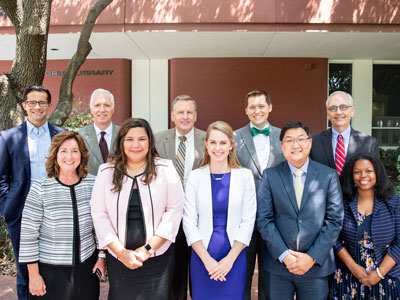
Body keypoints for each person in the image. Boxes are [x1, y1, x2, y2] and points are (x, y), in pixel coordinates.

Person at [91, 118, 184, 300]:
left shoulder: (165, 169)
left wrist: (147, 249)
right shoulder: (106, 172)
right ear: (121, 143)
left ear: (150, 142)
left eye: (142, 139)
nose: (136, 144)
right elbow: (99, 216)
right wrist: (121, 252)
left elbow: (174, 211)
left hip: (157, 256)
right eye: (129, 139)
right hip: (119, 257)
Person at [257, 121, 344, 300]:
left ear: (309, 143)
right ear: (281, 146)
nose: (295, 145)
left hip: (315, 265)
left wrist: (311, 257)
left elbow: (334, 221)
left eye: (300, 139)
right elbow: (264, 219)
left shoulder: (328, 176)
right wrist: (285, 256)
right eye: (289, 140)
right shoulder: (270, 175)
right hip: (278, 266)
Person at [19, 131, 105, 299]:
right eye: (63, 151)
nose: (69, 156)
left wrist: (102, 256)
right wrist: (34, 276)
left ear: (81, 155)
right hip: (50, 271)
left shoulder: (94, 184)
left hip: (85, 269)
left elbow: (101, 226)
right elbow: (28, 235)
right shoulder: (40, 187)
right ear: (55, 154)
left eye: (75, 151)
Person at [0, 85, 64, 300]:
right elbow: (1, 178)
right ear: (24, 105)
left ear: (49, 105)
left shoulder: (61, 136)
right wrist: (7, 208)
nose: (37, 107)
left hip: (55, 213)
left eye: (42, 103)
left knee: (53, 269)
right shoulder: (8, 137)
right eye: (32, 103)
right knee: (26, 270)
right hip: (21, 213)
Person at [183, 120, 257, 300]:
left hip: (234, 256)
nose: (218, 147)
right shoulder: (195, 177)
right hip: (202, 256)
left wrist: (228, 261)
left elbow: (248, 221)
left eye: (223, 142)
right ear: (206, 145)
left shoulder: (245, 176)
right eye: (213, 142)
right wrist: (208, 262)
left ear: (231, 145)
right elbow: (189, 221)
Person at [234, 89, 285, 300]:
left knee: (271, 274)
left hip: (275, 217)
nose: (257, 110)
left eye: (261, 106)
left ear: (270, 107)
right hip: (242, 217)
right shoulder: (234, 137)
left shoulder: (284, 137)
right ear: (246, 110)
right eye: (252, 106)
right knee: (242, 273)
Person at [155, 94, 206, 300]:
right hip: (168, 217)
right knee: (173, 273)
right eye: (180, 112)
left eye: (189, 112)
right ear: (172, 116)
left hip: (201, 217)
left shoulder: (208, 139)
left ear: (195, 116)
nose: (185, 116)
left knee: (199, 271)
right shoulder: (158, 139)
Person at [331, 152, 400, 299]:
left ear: (377, 173)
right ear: (352, 176)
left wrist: (379, 273)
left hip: (386, 278)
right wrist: (352, 267)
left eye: (368, 171)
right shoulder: (341, 204)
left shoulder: (394, 204)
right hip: (349, 278)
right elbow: (333, 238)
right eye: (357, 172)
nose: (363, 175)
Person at [310, 91, 380, 176]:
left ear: (352, 111)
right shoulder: (313, 142)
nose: (338, 112)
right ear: (328, 114)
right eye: (333, 108)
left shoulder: (369, 143)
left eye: (343, 107)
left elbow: (376, 177)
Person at [79, 88, 120, 175]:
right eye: (97, 105)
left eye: (107, 105)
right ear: (91, 109)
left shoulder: (123, 134)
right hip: (89, 187)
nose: (102, 109)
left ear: (113, 109)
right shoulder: (80, 135)